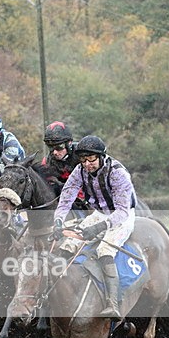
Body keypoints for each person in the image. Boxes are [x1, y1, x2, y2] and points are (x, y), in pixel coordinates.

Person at [51, 135, 137, 320]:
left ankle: (112, 303)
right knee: (68, 244)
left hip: (122, 217)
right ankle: (54, 293)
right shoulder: (79, 170)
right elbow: (66, 198)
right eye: (83, 160)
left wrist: (100, 227)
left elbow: (122, 212)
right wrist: (58, 221)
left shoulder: (118, 173)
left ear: (101, 157)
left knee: (104, 250)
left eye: (91, 160)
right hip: (99, 213)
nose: (87, 165)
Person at [40, 121, 79, 190]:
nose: (55, 152)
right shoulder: (46, 162)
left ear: (69, 144)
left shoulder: (81, 156)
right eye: (51, 147)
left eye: (59, 147)